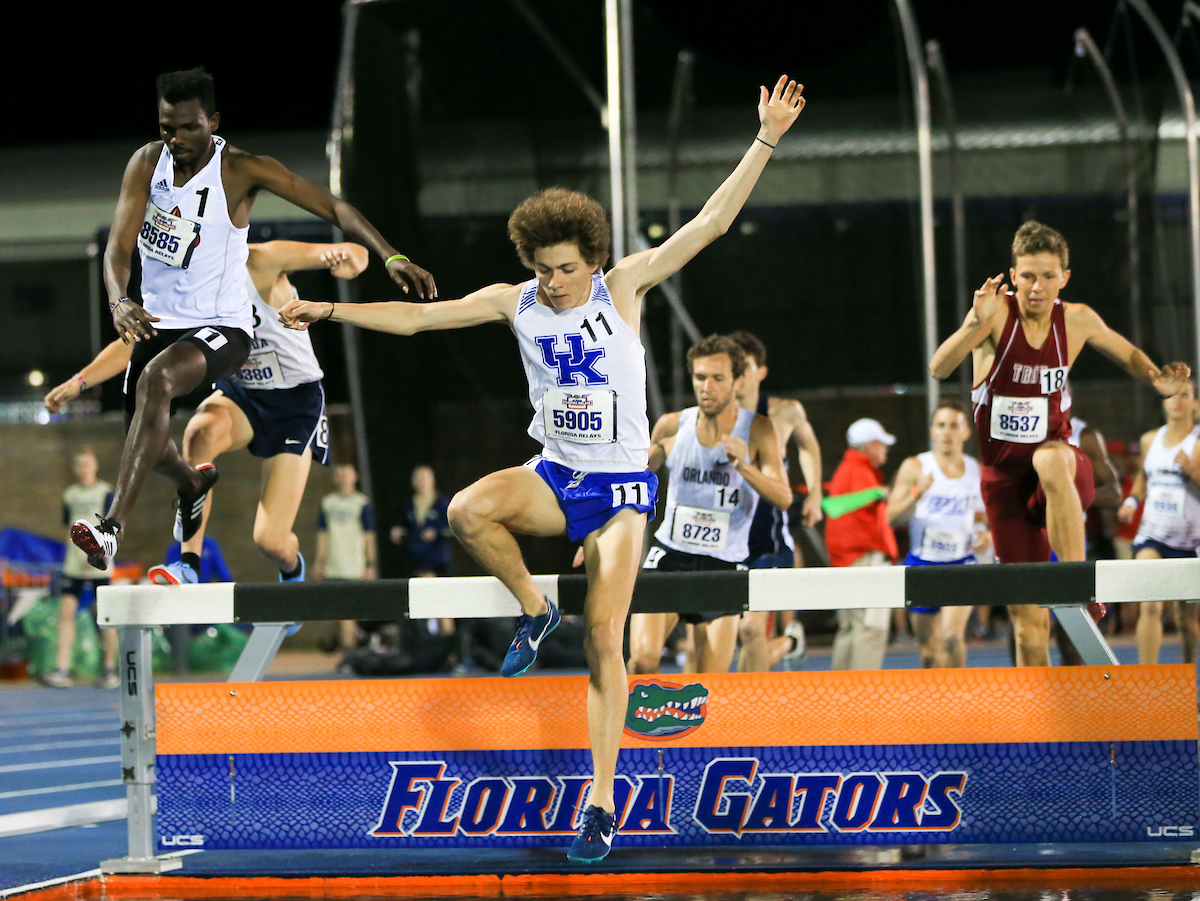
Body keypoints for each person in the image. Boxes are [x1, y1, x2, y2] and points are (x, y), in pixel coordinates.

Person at [279, 75, 806, 861]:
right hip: (559, 475)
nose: (554, 282)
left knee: (606, 641)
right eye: (543, 268)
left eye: (566, 268)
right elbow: (418, 318)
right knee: (465, 510)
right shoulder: (512, 300)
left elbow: (711, 222)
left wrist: (765, 136)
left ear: (592, 257)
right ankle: (533, 608)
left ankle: (600, 803)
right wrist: (326, 310)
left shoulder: (623, 286)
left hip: (624, 491)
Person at [67, 66, 434, 569]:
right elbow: (118, 246)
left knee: (158, 380)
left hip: (224, 327)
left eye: (189, 128)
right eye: (166, 128)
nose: (176, 140)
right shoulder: (146, 163)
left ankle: (111, 528)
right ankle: (193, 484)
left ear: (212, 121)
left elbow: (334, 209)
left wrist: (391, 256)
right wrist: (117, 300)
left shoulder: (242, 170)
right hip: (162, 322)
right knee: (146, 445)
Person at [929, 220, 1189, 666]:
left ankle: (1078, 585)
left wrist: (1159, 381)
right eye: (1028, 275)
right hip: (1004, 486)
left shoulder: (1077, 320)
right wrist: (973, 321)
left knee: (1050, 457)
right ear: (1013, 275)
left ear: (1064, 278)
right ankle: (1045, 731)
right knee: (1030, 628)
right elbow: (939, 367)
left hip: (1063, 472)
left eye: (1049, 276)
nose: (1037, 287)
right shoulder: (995, 316)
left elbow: (1125, 353)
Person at [46, 241, 370, 587]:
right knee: (199, 432)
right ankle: (189, 564)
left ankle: (291, 570)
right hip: (241, 395)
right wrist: (80, 381)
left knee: (270, 540)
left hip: (294, 403)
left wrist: (351, 261)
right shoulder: (189, 288)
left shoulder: (258, 261)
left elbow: (351, 250)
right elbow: (136, 340)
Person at [627, 334, 791, 676]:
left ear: (738, 381)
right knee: (642, 660)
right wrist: (598, 526)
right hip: (669, 557)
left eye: (718, 378)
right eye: (700, 377)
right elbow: (630, 483)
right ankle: (632, 731)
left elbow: (783, 497)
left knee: (707, 681)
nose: (707, 386)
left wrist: (744, 466)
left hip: (723, 565)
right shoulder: (673, 425)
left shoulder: (758, 430)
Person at [726, 330, 821, 672]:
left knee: (751, 629)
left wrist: (814, 492)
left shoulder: (783, 413)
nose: (737, 373)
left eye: (745, 365)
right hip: (724, 541)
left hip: (769, 537)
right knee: (728, 636)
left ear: (760, 371)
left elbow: (809, 446)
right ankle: (789, 644)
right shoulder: (714, 418)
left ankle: (751, 711)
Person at [885, 400, 988, 668]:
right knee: (930, 650)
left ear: (966, 432)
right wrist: (916, 492)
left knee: (952, 638)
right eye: (941, 425)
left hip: (961, 563)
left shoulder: (975, 469)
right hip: (923, 564)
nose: (947, 432)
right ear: (932, 431)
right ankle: (935, 704)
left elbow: (982, 515)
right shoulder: (916, 466)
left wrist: (985, 533)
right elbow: (891, 516)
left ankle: (957, 700)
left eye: (954, 426)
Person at [1118, 381, 1200, 665]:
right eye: (1170, 395)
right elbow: (1143, 477)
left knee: (1187, 621)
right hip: (1153, 534)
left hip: (1191, 541)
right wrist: (1131, 502)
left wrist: (1192, 470)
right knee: (1149, 605)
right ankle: (1145, 680)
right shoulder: (1149, 439)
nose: (1176, 400)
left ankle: (1188, 677)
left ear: (1195, 404)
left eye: (1184, 394)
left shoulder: (1198, 443)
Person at [824, 418, 899, 670]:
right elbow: (880, 520)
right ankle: (863, 700)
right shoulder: (861, 473)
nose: (885, 450)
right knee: (871, 628)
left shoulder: (846, 470)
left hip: (845, 560)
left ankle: (840, 697)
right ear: (869, 445)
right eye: (881, 444)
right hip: (864, 559)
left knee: (849, 629)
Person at [43, 448, 118, 689]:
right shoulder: (70, 494)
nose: (84, 470)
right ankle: (61, 668)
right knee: (66, 615)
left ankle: (109, 670)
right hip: (73, 565)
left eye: (88, 465)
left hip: (99, 565)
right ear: (75, 469)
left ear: (95, 466)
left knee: (106, 617)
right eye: (80, 466)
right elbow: (68, 524)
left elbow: (114, 525)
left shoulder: (105, 492)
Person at [314, 463, 378, 650]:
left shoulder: (361, 503)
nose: (343, 479)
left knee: (347, 613)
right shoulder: (328, 503)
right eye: (340, 475)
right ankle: (357, 641)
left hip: (354, 565)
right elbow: (322, 535)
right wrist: (319, 562)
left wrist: (369, 564)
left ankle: (349, 652)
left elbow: (369, 536)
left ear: (354, 477)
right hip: (333, 565)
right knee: (338, 614)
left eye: (347, 475)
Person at [391, 465, 454, 577]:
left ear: (432, 480)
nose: (421, 482)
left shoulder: (443, 504)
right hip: (415, 561)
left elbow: (453, 529)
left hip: (438, 560)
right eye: (417, 479)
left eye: (424, 478)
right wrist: (398, 531)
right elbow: (404, 525)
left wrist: (437, 532)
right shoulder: (408, 505)